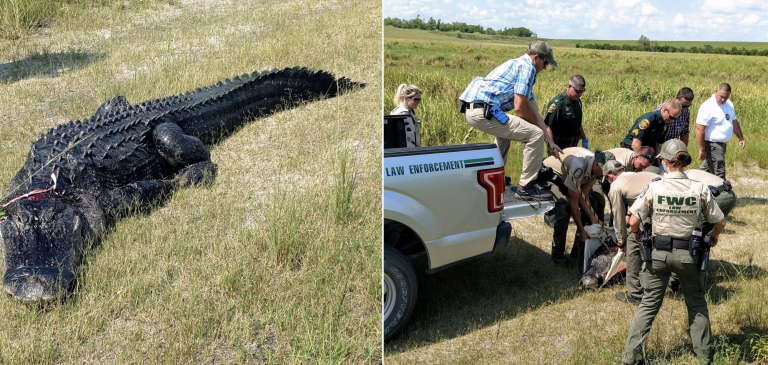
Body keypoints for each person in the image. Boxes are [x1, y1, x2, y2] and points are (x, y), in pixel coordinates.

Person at [622, 139, 727, 365]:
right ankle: (704, 356)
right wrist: (713, 238)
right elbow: (720, 221)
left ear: (665, 162)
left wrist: (638, 235)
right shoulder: (698, 188)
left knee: (648, 304)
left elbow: (633, 221)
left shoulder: (654, 187)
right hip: (689, 256)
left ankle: (630, 358)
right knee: (697, 303)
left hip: (657, 256)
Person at [459, 41, 562, 200]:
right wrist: (540, 135)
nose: (545, 67)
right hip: (482, 110)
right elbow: (520, 108)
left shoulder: (521, 67)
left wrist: (550, 142)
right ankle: (526, 187)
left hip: (480, 110)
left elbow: (535, 114)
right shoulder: (527, 68)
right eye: (546, 63)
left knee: (507, 134)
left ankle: (496, 177)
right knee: (535, 135)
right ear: (536, 58)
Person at [600, 161, 661, 304]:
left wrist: (621, 242)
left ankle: (635, 293)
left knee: (633, 243)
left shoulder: (615, 186)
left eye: (607, 180)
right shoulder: (636, 176)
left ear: (610, 176)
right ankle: (671, 282)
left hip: (654, 211)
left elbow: (618, 217)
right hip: (670, 209)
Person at [667, 168, 736, 292]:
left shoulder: (671, 181)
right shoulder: (683, 173)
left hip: (718, 197)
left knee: (688, 235)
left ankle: (681, 281)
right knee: (698, 237)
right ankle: (695, 276)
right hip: (727, 193)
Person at [542, 147, 607, 266]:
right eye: (604, 172)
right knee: (564, 210)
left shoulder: (596, 169)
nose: (604, 176)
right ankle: (557, 255)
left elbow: (584, 195)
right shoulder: (579, 167)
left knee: (592, 204)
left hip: (566, 178)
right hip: (550, 175)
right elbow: (574, 202)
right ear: (597, 165)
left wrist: (594, 220)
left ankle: (578, 252)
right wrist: (581, 229)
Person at [696, 83, 746, 179]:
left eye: (725, 97)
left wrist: (740, 137)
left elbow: (733, 121)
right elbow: (699, 129)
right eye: (721, 96)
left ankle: (693, 181)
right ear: (716, 92)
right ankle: (723, 191)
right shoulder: (708, 106)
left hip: (722, 144)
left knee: (707, 168)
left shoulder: (729, 104)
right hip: (712, 144)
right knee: (719, 170)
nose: (723, 99)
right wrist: (702, 149)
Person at [544, 75, 586, 151]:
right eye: (578, 91)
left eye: (582, 91)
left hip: (573, 147)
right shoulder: (558, 104)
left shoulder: (577, 102)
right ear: (570, 86)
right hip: (559, 147)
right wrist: (552, 146)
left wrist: (584, 138)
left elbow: (577, 122)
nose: (580, 94)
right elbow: (547, 126)